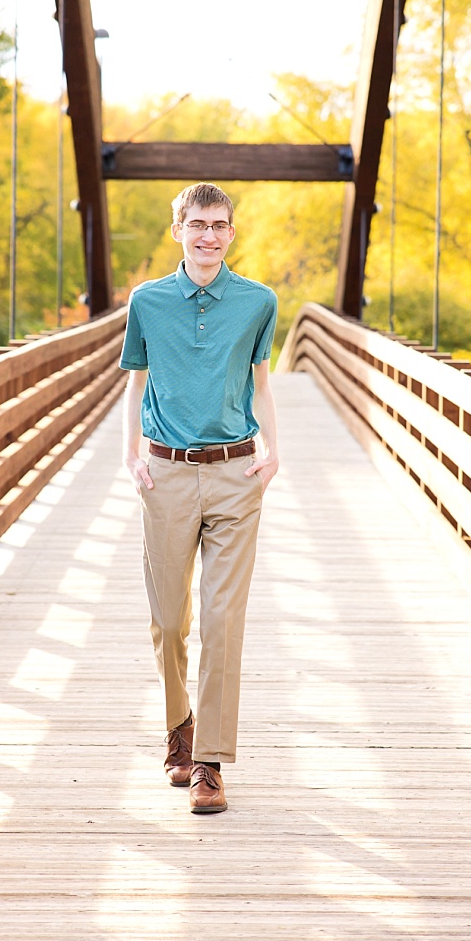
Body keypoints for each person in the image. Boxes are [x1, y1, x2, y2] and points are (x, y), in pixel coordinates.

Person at [120, 182, 281, 815]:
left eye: (219, 225)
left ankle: (209, 761)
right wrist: (129, 455)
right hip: (165, 474)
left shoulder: (258, 302)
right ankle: (178, 728)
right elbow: (136, 383)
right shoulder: (148, 302)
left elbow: (262, 384)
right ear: (178, 229)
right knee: (169, 620)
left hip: (236, 473)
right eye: (197, 224)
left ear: (232, 233)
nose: (208, 235)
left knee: (221, 619)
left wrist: (275, 449)